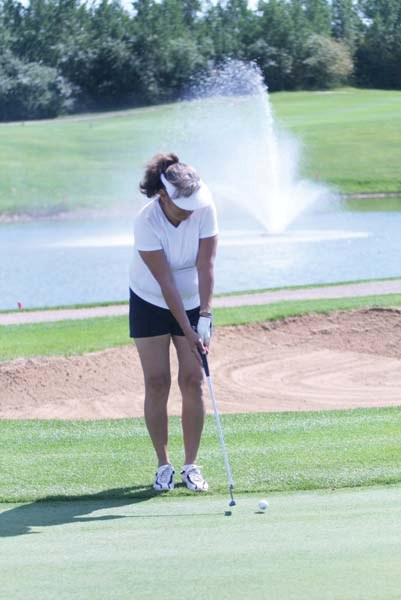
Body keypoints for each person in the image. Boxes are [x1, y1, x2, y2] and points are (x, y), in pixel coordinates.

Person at [129, 153, 218, 493]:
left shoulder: (204, 208)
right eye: (183, 206)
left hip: (194, 299)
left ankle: (191, 465)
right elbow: (166, 283)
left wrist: (205, 316)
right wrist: (187, 328)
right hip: (149, 297)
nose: (189, 212)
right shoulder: (146, 221)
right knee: (156, 381)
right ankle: (163, 465)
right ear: (163, 196)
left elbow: (207, 264)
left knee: (193, 379)